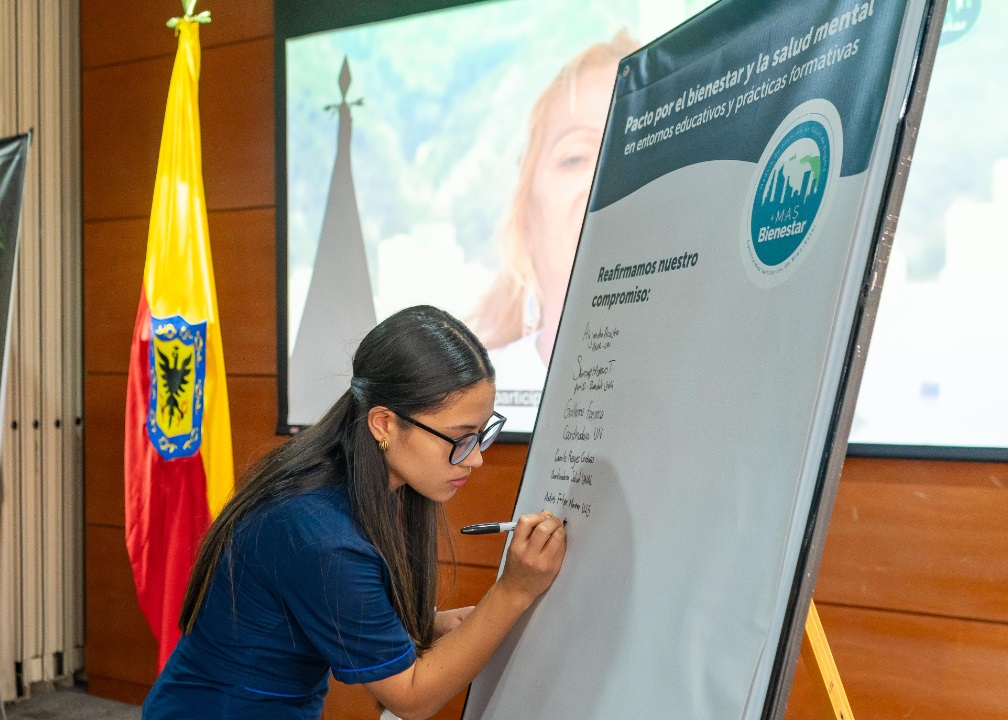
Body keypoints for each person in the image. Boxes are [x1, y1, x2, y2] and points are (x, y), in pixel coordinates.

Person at [142, 305, 566, 720]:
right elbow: (411, 697)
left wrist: (427, 623)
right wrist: (514, 590)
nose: (474, 460)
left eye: (481, 433)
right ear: (383, 423)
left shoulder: (355, 481)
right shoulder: (321, 532)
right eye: (460, 438)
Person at [469, 31, 639, 398]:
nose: (607, 179)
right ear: (527, 218)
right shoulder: (478, 397)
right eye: (575, 156)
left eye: (637, 147)